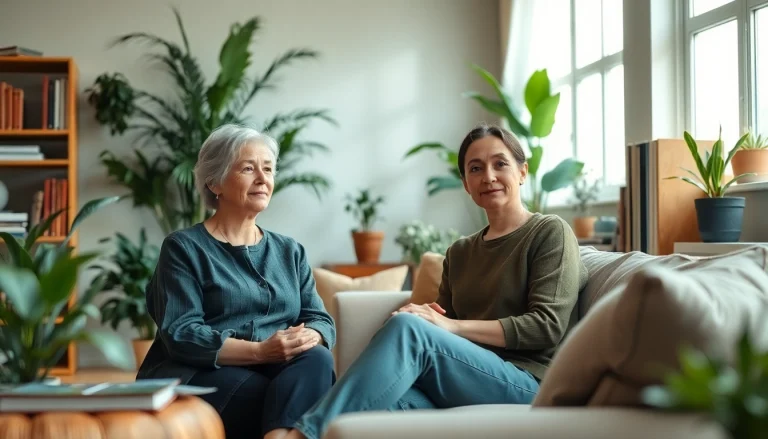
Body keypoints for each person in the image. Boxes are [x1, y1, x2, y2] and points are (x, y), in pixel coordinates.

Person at [283, 123, 588, 439]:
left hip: (530, 384)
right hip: (464, 379)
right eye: (475, 168)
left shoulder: (549, 232)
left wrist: (446, 327)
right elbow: (439, 322)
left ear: (522, 172)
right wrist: (415, 316)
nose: (489, 176)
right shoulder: (461, 251)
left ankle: (303, 436)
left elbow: (546, 326)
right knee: (377, 405)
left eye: (500, 164)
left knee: (409, 332)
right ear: (466, 183)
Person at [136, 124, 337, 439]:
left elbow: (320, 319)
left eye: (267, 169)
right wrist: (261, 352)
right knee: (275, 394)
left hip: (277, 368)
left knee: (318, 359)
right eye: (248, 168)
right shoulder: (183, 247)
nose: (262, 178)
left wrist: (306, 337)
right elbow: (182, 333)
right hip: (201, 372)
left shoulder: (290, 250)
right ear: (214, 182)